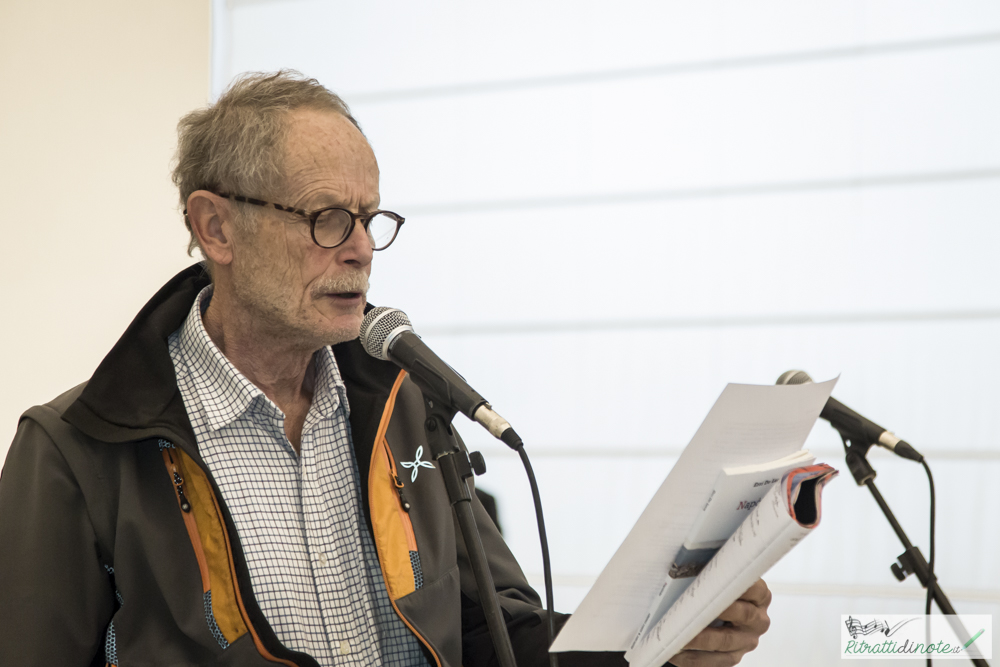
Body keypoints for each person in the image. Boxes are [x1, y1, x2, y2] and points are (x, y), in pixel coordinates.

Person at [0, 71, 771, 667]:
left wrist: (657, 637)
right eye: (326, 217)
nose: (362, 246)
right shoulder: (78, 449)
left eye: (370, 218)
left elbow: (496, 636)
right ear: (217, 226)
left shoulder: (406, 403)